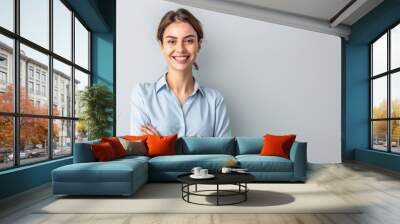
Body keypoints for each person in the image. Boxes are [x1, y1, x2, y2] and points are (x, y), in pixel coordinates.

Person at [130, 8, 231, 137]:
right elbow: (140, 154)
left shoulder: (215, 101)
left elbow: (224, 155)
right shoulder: (142, 96)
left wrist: (161, 145)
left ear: (199, 45)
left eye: (189, 41)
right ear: (162, 45)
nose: (180, 49)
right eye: (172, 41)